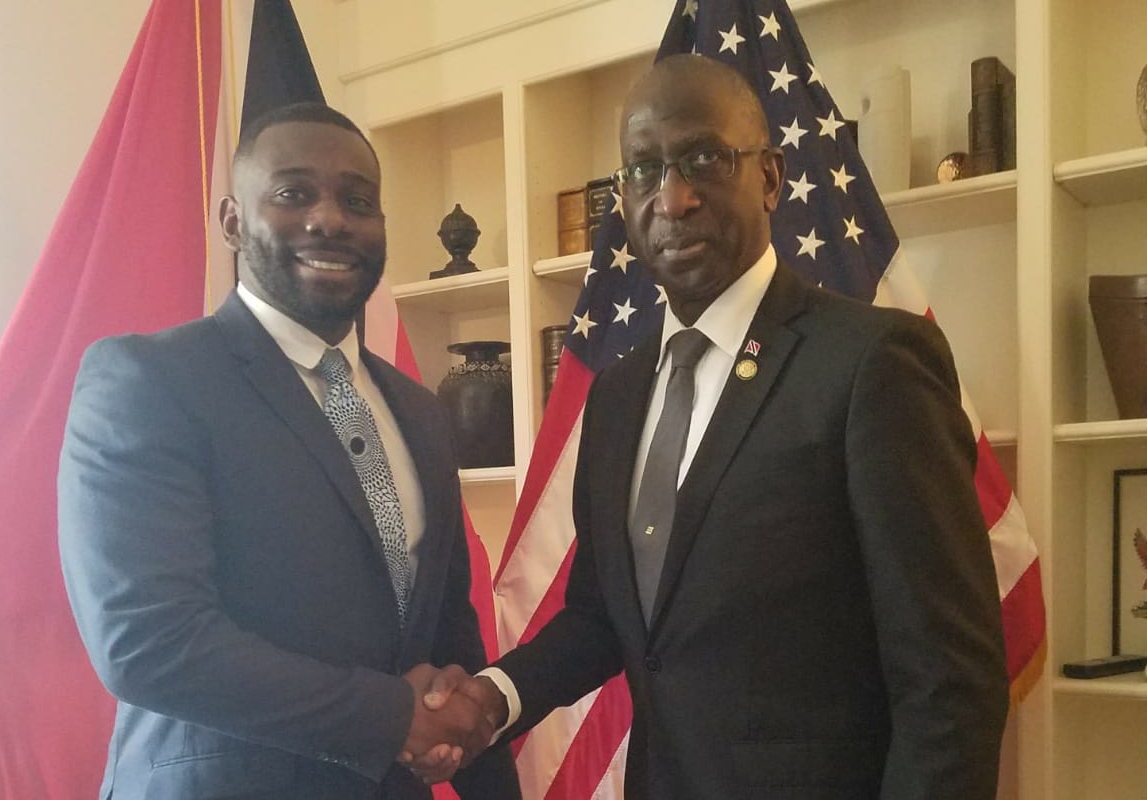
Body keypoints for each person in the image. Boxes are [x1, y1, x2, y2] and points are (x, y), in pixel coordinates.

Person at [418, 54, 1009, 798]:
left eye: (703, 158)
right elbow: (607, 617)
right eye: (642, 170)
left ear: (770, 177)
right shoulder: (619, 394)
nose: (674, 197)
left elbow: (950, 684)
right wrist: (492, 697)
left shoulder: (872, 364)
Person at [58, 101, 520, 800]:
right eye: (293, 193)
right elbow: (149, 642)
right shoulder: (150, 381)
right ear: (232, 219)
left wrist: (473, 751)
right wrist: (394, 717)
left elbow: (447, 631)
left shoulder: (421, 412)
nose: (330, 218)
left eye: (357, 201)